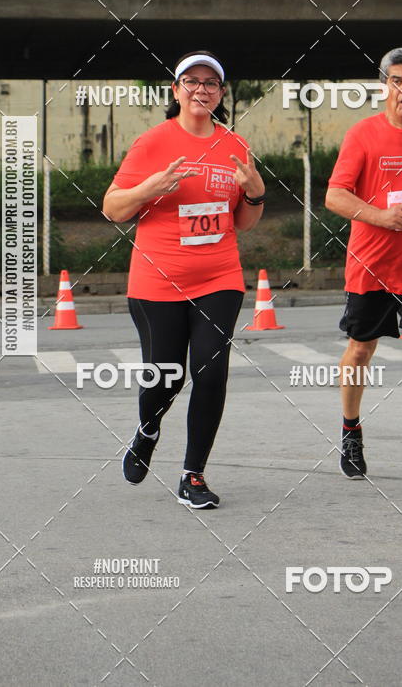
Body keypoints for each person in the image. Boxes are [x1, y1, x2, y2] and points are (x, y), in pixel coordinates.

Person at [103, 50, 265, 509]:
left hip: (220, 276)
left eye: (211, 83)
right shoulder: (152, 142)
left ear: (221, 93)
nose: (201, 89)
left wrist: (256, 193)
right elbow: (113, 209)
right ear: (176, 91)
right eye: (191, 81)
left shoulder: (236, 145)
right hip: (158, 281)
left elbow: (245, 223)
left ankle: (192, 475)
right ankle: (148, 429)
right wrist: (148, 188)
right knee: (165, 379)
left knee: (211, 373)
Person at [325, 47, 402, 487]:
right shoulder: (362, 135)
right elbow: (334, 195)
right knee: (361, 349)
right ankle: (351, 429)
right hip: (372, 263)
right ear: (384, 87)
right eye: (396, 81)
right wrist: (380, 216)